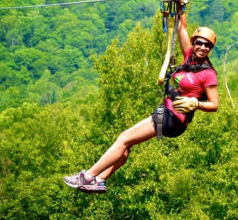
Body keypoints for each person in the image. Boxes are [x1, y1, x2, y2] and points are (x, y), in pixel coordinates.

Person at [63, 11, 219, 194]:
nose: (202, 47)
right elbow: (181, 28)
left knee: (123, 138)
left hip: (173, 118)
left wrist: (196, 103)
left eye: (207, 45)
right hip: (168, 114)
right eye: (199, 42)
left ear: (210, 49)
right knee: (126, 145)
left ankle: (88, 176)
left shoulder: (208, 73)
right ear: (194, 43)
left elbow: (214, 104)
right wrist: (180, 2)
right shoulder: (189, 57)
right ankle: (100, 180)